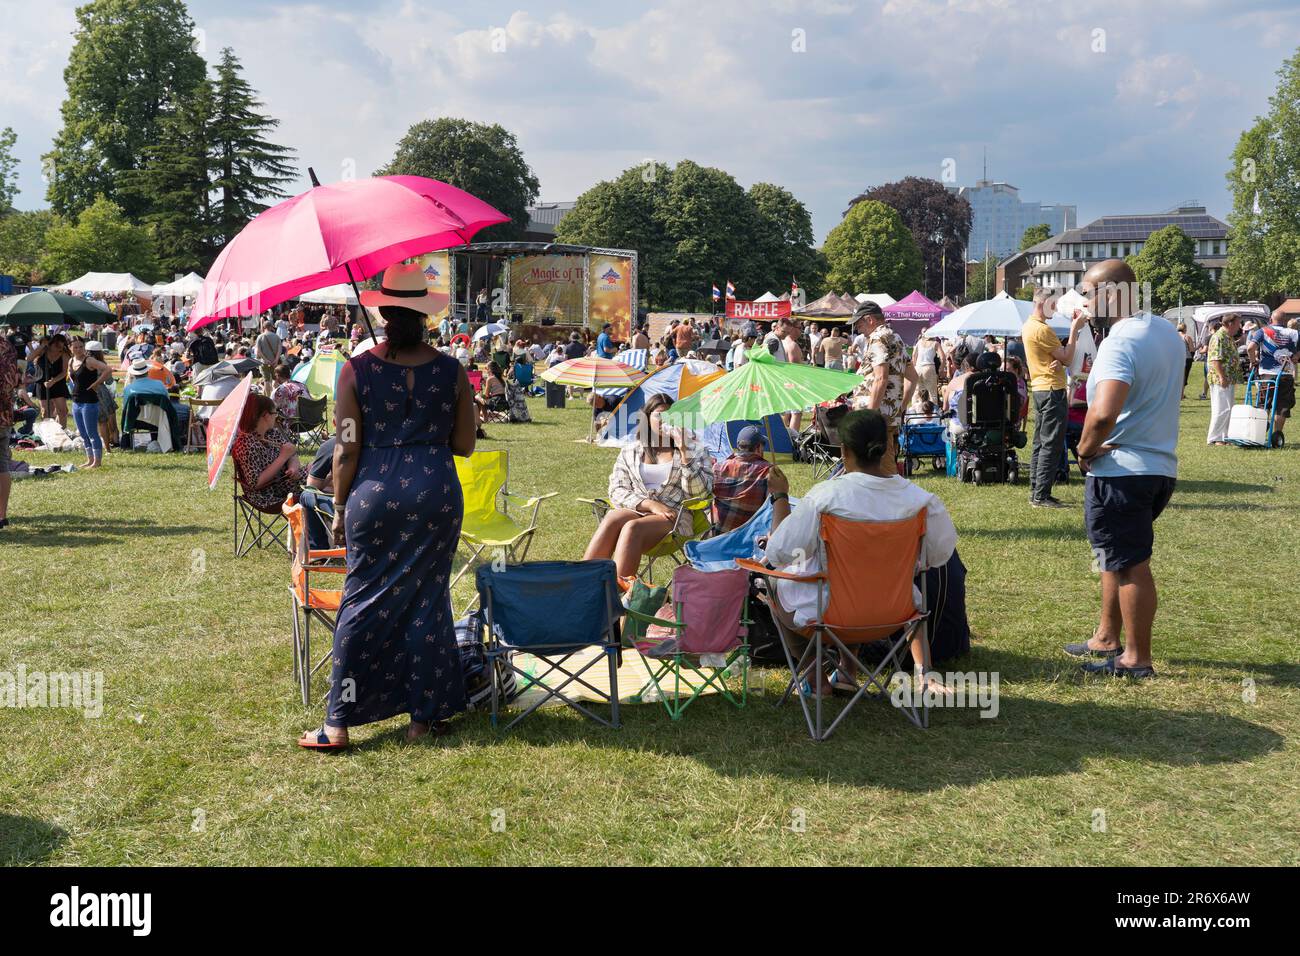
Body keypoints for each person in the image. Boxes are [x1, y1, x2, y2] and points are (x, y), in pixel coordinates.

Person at [299, 262, 477, 750]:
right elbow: (464, 444)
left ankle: (338, 722)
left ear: (382, 312)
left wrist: (337, 507)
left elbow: (346, 445)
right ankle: (423, 716)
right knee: (427, 599)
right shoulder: (452, 369)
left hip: (373, 494)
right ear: (424, 313)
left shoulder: (356, 370)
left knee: (361, 599)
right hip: (436, 491)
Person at [761, 409, 957, 697]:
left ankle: (817, 680)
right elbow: (939, 555)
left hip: (833, 615)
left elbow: (779, 554)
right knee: (856, 581)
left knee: (772, 582)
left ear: (844, 450)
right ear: (888, 446)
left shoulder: (824, 498)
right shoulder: (921, 501)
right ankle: (850, 671)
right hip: (896, 612)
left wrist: (779, 497)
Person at [1068, 260, 1182, 679]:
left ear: (1113, 293)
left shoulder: (1121, 340)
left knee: (1130, 562)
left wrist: (1083, 450)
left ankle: (1135, 658)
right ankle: (1105, 637)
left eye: (1088, 292)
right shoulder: (1165, 331)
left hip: (1122, 469)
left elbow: (1103, 414)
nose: (1084, 302)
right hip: (1157, 465)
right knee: (1112, 557)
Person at [582, 393, 713, 579]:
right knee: (613, 517)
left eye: (671, 415)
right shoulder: (631, 450)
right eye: (659, 415)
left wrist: (684, 452)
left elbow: (699, 493)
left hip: (675, 518)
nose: (664, 420)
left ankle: (617, 594)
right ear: (647, 418)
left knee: (632, 528)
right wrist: (650, 505)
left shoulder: (695, 450)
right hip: (639, 509)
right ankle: (582, 583)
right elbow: (616, 490)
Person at [1021, 289, 1090, 508]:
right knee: (1051, 443)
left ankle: (1036, 491)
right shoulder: (1043, 330)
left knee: (1040, 442)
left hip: (1041, 389)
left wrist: (1058, 359)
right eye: (1054, 304)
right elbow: (1069, 359)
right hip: (1052, 390)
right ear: (1043, 303)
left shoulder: (1028, 326)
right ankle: (1041, 495)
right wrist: (1074, 330)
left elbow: (1056, 358)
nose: (1057, 308)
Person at [849, 301, 916, 473]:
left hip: (875, 417)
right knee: (884, 464)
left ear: (870, 319)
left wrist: (869, 416)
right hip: (888, 415)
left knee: (877, 470)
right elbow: (913, 377)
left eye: (859, 323)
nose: (858, 328)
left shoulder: (878, 338)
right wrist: (901, 407)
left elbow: (880, 378)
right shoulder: (896, 338)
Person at [231, 394, 306, 513]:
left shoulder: (271, 433)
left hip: (286, 483)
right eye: (275, 413)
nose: (276, 416)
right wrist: (282, 457)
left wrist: (293, 467)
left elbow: (291, 452)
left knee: (322, 470)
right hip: (268, 495)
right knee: (322, 474)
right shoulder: (245, 444)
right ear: (266, 415)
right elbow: (256, 483)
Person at [1247, 306, 1297, 443]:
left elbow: (1250, 347)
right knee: (1282, 405)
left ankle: (1261, 428)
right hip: (1285, 373)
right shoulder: (1293, 333)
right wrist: (1295, 357)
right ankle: (1277, 435)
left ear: (1270, 319)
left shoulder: (1263, 331)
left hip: (1266, 374)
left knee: (1264, 403)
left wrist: (1253, 361)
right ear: (1285, 320)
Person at [711, 425, 773, 533]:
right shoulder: (767, 471)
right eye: (763, 445)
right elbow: (771, 508)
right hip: (748, 537)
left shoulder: (718, 467)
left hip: (718, 535)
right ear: (758, 448)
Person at [68, 337, 112, 469]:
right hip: (76, 401)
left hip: (89, 401)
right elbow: (71, 376)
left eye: (81, 347)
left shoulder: (89, 360)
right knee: (82, 433)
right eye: (75, 347)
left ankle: (97, 461)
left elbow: (107, 370)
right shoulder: (71, 361)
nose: (78, 349)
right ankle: (90, 459)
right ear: (70, 348)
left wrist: (96, 384)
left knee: (92, 432)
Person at [1205, 313, 1244, 445]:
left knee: (1228, 408)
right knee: (1221, 408)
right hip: (1220, 378)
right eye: (1238, 324)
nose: (1240, 327)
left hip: (1228, 378)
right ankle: (1215, 438)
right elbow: (1215, 359)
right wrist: (1222, 377)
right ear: (1230, 324)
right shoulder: (1219, 337)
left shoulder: (1228, 337)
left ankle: (1224, 436)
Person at [0, 334, 20, 529]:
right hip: (4, 415)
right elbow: (14, 381)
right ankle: (2, 516)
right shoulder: (7, 345)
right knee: (3, 466)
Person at [31, 334, 71, 428]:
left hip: (58, 383)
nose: (59, 349)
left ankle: (62, 432)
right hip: (42, 383)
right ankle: (48, 433)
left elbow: (64, 372)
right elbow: (29, 358)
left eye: (62, 347)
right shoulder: (43, 351)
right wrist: (41, 346)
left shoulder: (64, 354)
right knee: (46, 412)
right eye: (57, 346)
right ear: (51, 344)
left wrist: (53, 381)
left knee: (62, 411)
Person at [254, 322, 282, 391]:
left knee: (266, 381)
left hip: (264, 362)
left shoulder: (260, 337)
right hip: (275, 362)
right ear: (271, 327)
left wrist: (265, 359)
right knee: (275, 379)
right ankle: (275, 397)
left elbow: (258, 351)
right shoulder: (276, 336)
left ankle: (268, 398)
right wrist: (276, 360)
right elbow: (279, 350)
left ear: (264, 327)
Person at [1177, 322, 1195, 401]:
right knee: (1184, 377)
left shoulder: (1174, 336)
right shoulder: (1187, 337)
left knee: (1178, 376)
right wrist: (1198, 346)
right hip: (1186, 358)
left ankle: (1178, 394)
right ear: (1185, 328)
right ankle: (1181, 395)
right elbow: (1191, 349)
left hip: (1177, 358)